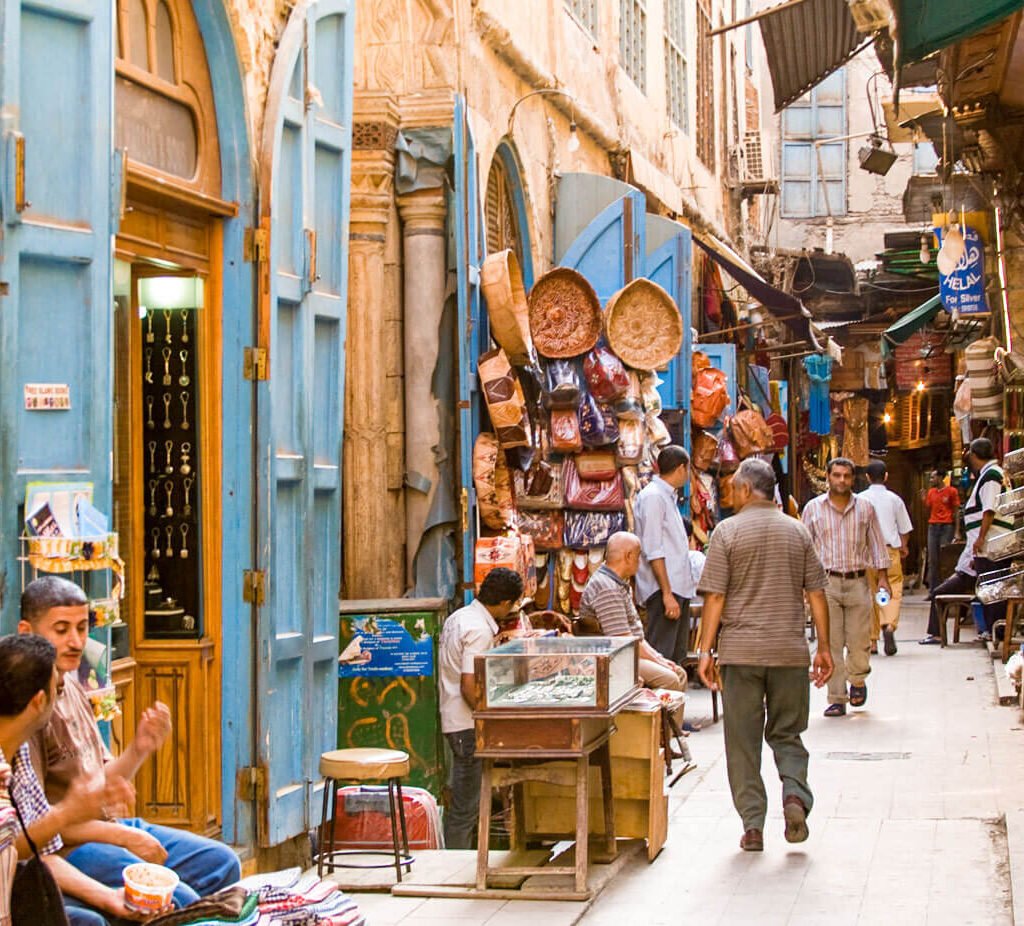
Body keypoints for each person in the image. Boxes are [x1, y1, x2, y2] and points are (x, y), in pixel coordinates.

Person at [19, 577, 241, 917]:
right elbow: (39, 829)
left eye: (82, 628)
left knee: (222, 864)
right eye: (61, 630)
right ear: (26, 631)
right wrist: (122, 838)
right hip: (68, 846)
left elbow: (101, 781)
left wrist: (140, 748)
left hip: (108, 827)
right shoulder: (31, 708)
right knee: (173, 898)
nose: (76, 642)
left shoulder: (75, 685)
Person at [695, 459, 832, 852]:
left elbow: (716, 597)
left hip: (741, 654)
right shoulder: (797, 531)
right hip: (789, 651)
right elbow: (816, 594)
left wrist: (705, 650)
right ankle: (794, 796)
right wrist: (823, 647)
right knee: (788, 733)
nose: (731, 492)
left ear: (746, 489)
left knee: (742, 740)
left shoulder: (727, 532)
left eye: (734, 486)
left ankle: (753, 826)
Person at [0, 634, 137, 926]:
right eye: (57, 689)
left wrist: (108, 897)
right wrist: (68, 813)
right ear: (39, 701)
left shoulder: (19, 751)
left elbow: (37, 852)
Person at [438, 567, 523, 849]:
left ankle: (460, 858)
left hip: (455, 720)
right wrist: (490, 719)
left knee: (464, 801)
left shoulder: (459, 617)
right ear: (505, 603)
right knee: (465, 808)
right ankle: (454, 864)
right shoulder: (478, 629)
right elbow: (468, 685)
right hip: (466, 725)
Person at [802, 457, 891, 717]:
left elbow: (876, 543)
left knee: (860, 639)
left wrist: (883, 577)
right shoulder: (813, 509)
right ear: (828, 477)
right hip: (825, 584)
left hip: (858, 581)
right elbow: (805, 548)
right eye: (837, 475)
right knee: (830, 640)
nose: (842, 480)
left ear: (854, 479)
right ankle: (836, 696)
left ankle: (858, 680)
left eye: (846, 476)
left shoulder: (865, 508)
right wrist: (802, 586)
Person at [920, 438, 1010, 644]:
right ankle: (992, 631)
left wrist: (979, 540)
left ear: (974, 455)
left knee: (992, 589)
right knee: (989, 588)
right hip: (983, 548)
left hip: (991, 545)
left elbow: (989, 510)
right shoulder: (989, 475)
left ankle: (995, 632)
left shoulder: (991, 476)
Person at [578, 533, 686, 693]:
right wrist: (659, 661)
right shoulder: (606, 587)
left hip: (625, 652)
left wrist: (658, 658)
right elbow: (624, 641)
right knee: (670, 679)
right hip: (613, 658)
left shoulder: (619, 584)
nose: (639, 562)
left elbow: (636, 637)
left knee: (679, 673)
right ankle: (660, 718)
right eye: (638, 556)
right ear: (628, 556)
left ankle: (670, 718)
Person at [633, 445, 695, 666]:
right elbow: (654, 549)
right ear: (681, 468)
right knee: (661, 657)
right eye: (688, 469)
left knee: (674, 658)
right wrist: (667, 594)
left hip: (675, 588)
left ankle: (672, 699)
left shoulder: (665, 496)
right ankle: (659, 699)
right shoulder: (654, 497)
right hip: (664, 590)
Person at [859, 459, 913, 657]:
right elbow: (904, 528)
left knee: (869, 595)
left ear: (867, 477)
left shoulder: (859, 499)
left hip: (867, 554)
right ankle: (888, 624)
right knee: (892, 590)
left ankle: (872, 641)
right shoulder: (894, 499)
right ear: (886, 476)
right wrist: (904, 545)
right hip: (889, 551)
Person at [922, 470, 961, 596]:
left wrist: (957, 531)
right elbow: (928, 508)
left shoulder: (951, 491)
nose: (931, 480)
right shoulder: (931, 492)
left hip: (946, 526)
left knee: (944, 559)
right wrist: (923, 499)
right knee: (933, 560)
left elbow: (956, 512)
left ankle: (946, 590)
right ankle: (933, 591)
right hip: (933, 526)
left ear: (940, 477)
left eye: (933, 477)